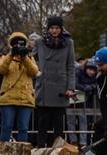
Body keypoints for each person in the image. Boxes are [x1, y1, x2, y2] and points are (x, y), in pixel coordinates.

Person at [32, 16, 76, 147]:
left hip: (60, 87)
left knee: (58, 125)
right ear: (48, 28)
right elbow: (31, 61)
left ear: (61, 29)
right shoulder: (40, 42)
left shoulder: (69, 43)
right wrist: (38, 73)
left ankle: (57, 151)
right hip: (44, 86)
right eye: (52, 28)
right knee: (42, 123)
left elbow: (70, 66)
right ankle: (40, 149)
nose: (54, 31)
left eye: (57, 28)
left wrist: (71, 87)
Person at [0, 33, 38, 142]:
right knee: (6, 127)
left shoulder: (29, 58)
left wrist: (25, 58)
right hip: (8, 99)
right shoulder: (6, 58)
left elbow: (34, 72)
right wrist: (11, 54)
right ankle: (3, 154)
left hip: (25, 99)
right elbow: (0, 70)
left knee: (23, 129)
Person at [74, 59, 99, 146]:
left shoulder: (95, 77)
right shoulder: (78, 72)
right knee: (72, 122)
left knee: (86, 122)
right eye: (90, 69)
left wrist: (92, 87)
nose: (91, 72)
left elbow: (97, 84)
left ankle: (84, 143)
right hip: (76, 100)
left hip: (89, 103)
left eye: (93, 70)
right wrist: (84, 88)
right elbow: (75, 84)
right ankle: (74, 141)